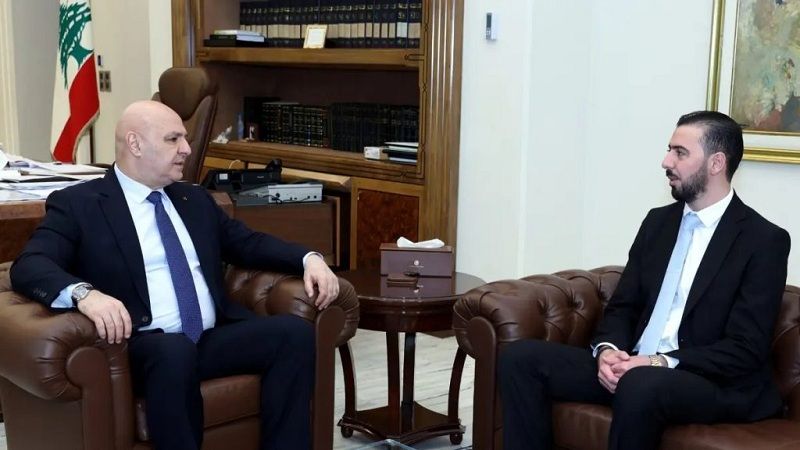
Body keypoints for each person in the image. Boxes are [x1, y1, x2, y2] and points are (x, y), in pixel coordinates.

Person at [10, 100, 340, 450]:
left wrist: (308, 258)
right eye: (173, 139)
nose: (187, 149)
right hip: (139, 345)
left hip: (207, 338)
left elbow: (248, 243)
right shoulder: (80, 204)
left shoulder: (193, 199)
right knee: (173, 351)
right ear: (135, 144)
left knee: (293, 334)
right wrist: (85, 295)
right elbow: (29, 264)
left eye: (184, 138)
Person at [498, 110, 791, 450]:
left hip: (708, 380)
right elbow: (624, 306)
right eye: (669, 150)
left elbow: (745, 348)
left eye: (680, 153)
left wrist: (657, 361)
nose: (666, 162)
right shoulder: (658, 223)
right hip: (636, 366)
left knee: (641, 384)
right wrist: (608, 352)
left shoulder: (763, 240)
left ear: (716, 163)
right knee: (520, 358)